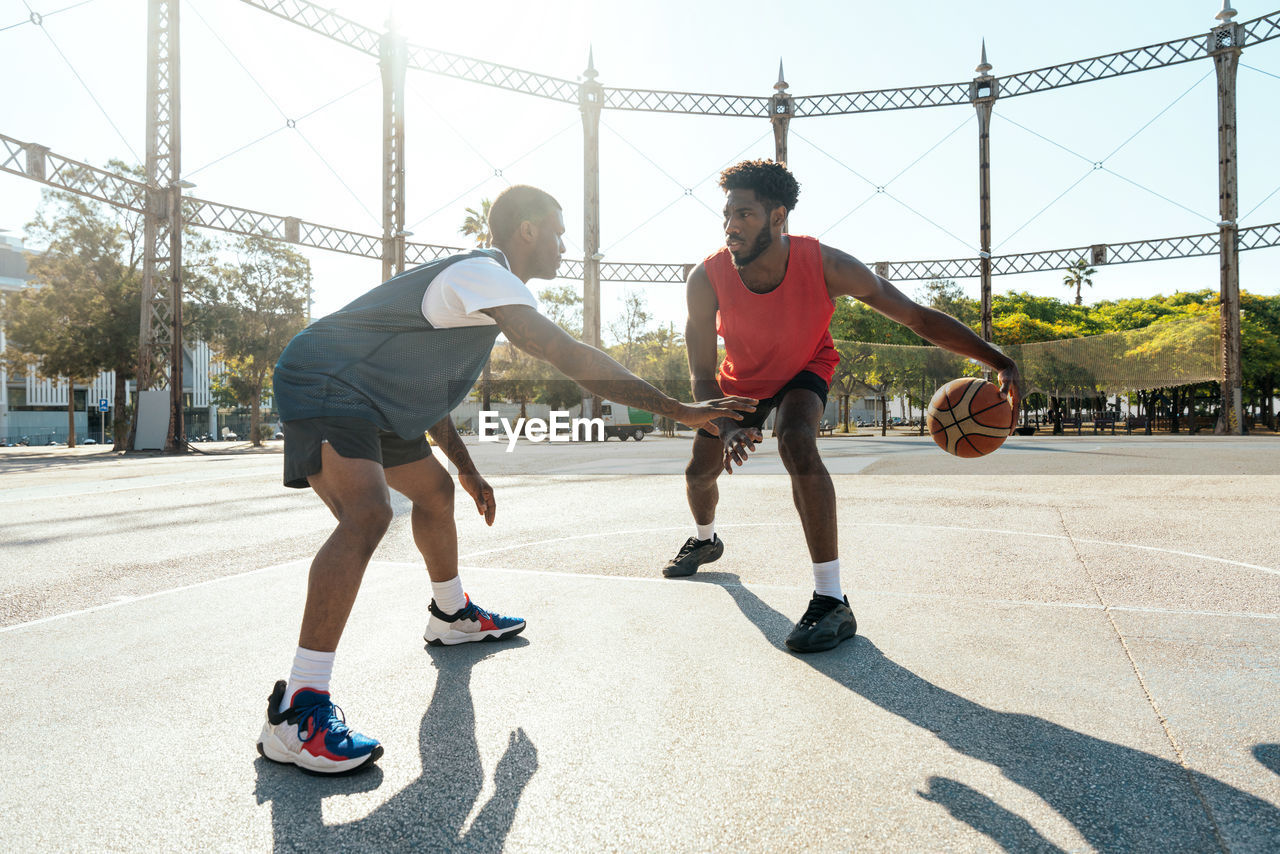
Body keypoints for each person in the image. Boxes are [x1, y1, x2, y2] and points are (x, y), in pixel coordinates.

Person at [259, 184, 756, 774]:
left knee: (435, 493)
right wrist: (684, 411)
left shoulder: (477, 296)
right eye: (557, 230)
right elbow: (564, 353)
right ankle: (296, 711)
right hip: (324, 380)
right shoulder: (488, 273)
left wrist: (466, 471)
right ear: (526, 230)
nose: (564, 244)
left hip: (375, 399)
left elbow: (425, 392)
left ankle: (451, 616)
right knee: (367, 514)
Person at [661, 160, 1023, 653]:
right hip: (738, 383)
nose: (731, 226)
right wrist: (724, 424)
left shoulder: (826, 265)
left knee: (796, 439)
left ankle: (831, 600)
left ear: (777, 217)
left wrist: (999, 360)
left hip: (805, 367)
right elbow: (702, 373)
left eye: (744, 214)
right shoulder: (706, 278)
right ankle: (706, 540)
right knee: (698, 476)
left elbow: (916, 317)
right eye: (727, 214)